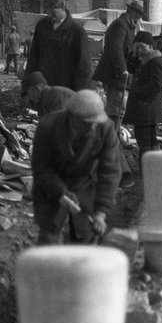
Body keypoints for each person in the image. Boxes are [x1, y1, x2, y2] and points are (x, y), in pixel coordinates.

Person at [31, 89, 122, 244]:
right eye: (88, 123)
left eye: (96, 122)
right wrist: (60, 192)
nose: (93, 127)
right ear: (73, 117)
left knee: (85, 240)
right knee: (48, 240)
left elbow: (110, 171)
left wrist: (101, 212)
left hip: (84, 183)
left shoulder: (105, 128)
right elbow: (41, 168)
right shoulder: (48, 126)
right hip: (51, 185)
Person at [25, 0, 91, 89]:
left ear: (63, 8)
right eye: (48, 12)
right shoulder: (41, 26)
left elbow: (84, 67)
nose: (50, 15)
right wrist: (27, 86)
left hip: (67, 91)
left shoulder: (77, 31)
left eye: (54, 12)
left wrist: (80, 96)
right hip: (43, 90)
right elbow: (33, 58)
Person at [93, 0, 144, 125]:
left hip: (118, 75)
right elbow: (115, 49)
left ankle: (116, 138)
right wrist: (123, 69)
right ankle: (113, 141)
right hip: (115, 74)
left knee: (119, 110)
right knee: (116, 110)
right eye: (138, 15)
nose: (138, 19)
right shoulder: (121, 25)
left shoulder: (127, 26)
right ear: (133, 13)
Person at [126, 42, 162, 157]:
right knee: (150, 137)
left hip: (147, 106)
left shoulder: (155, 61)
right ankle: (153, 167)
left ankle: (146, 168)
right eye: (137, 47)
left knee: (144, 138)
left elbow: (157, 84)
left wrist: (139, 92)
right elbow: (130, 68)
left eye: (142, 47)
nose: (139, 50)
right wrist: (133, 54)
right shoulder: (144, 60)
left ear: (150, 46)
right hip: (144, 106)